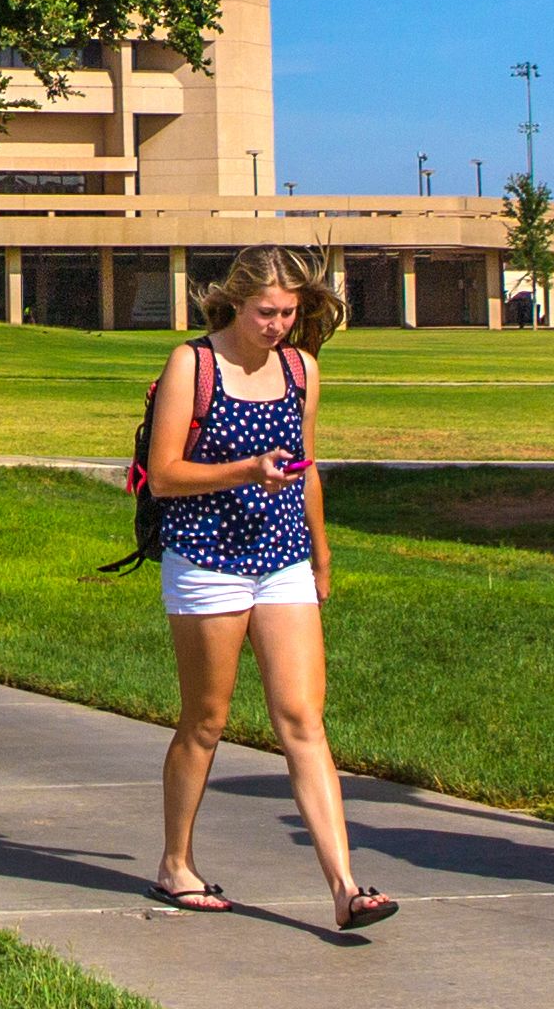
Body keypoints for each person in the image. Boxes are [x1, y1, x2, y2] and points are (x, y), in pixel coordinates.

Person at [142, 248, 396, 935]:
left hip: (281, 559)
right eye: (266, 313)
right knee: (207, 720)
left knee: (303, 719)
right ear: (234, 302)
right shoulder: (190, 366)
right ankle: (176, 863)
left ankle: (345, 887)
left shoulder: (301, 370)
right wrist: (245, 470)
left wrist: (321, 551)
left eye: (289, 313)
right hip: (205, 561)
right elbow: (164, 475)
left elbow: (309, 469)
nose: (279, 325)